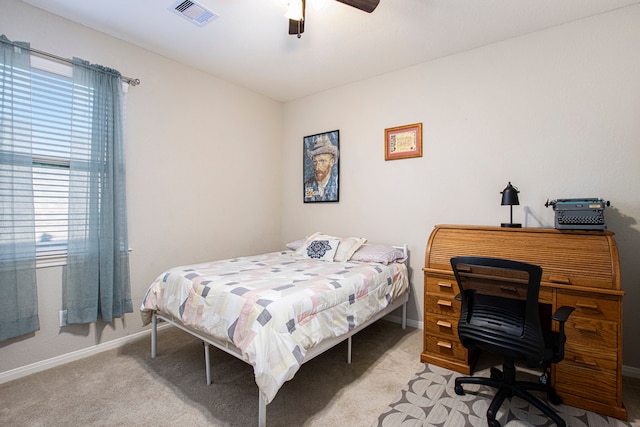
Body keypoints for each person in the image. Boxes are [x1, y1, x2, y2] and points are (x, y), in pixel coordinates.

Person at [304, 134, 339, 202]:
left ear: (331, 162)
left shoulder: (336, 184)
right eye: (315, 161)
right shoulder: (307, 186)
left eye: (322, 161)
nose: (317, 167)